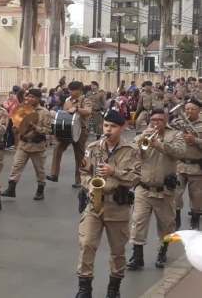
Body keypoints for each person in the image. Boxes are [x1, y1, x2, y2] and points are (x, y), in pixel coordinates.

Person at [75, 110, 140, 298]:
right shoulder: (93, 147)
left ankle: (114, 288)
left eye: (112, 126)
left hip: (118, 207)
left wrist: (115, 172)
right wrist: (89, 186)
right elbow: (84, 172)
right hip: (94, 205)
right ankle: (84, 288)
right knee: (86, 244)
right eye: (106, 126)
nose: (108, 129)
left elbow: (136, 178)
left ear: (122, 128)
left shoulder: (132, 150)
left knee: (118, 251)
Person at [126, 108, 185, 270]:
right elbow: (130, 152)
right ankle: (137, 256)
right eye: (153, 120)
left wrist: (159, 145)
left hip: (165, 189)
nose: (156, 123)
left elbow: (180, 152)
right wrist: (141, 139)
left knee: (166, 224)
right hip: (143, 188)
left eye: (159, 120)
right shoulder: (144, 134)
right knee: (138, 222)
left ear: (165, 119)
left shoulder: (175, 134)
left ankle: (162, 251)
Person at [2, 89, 52, 205]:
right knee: (16, 166)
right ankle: (11, 188)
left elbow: (48, 130)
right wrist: (17, 127)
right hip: (24, 144)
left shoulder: (45, 112)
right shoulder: (22, 110)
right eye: (29, 96)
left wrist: (35, 128)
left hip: (37, 145)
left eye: (33, 97)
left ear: (39, 98)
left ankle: (40, 190)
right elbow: (15, 129)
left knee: (39, 169)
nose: (30, 99)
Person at [48, 81, 92, 188]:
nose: (70, 92)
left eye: (72, 90)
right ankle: (54, 174)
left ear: (79, 90)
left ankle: (79, 180)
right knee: (57, 149)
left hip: (80, 131)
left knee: (79, 156)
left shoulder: (85, 100)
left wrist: (77, 109)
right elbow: (64, 113)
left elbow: (88, 111)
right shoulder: (67, 101)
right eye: (69, 90)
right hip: (67, 130)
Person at [175, 98, 202, 230]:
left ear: (199, 110)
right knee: (175, 193)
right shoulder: (180, 122)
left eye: (193, 109)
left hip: (196, 167)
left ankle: (195, 218)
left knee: (196, 195)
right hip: (180, 165)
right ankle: (176, 216)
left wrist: (195, 140)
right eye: (187, 109)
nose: (189, 112)